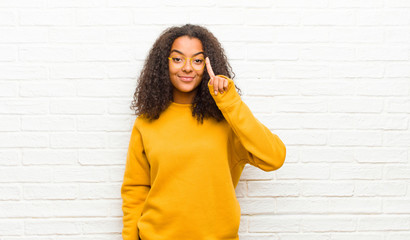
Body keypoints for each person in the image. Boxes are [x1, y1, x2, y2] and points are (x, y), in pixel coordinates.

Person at [121, 24, 286, 240]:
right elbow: (135, 189)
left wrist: (229, 101)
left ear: (209, 65)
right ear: (164, 64)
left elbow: (274, 157)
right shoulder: (146, 122)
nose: (188, 68)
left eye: (197, 60)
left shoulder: (227, 118)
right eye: (177, 59)